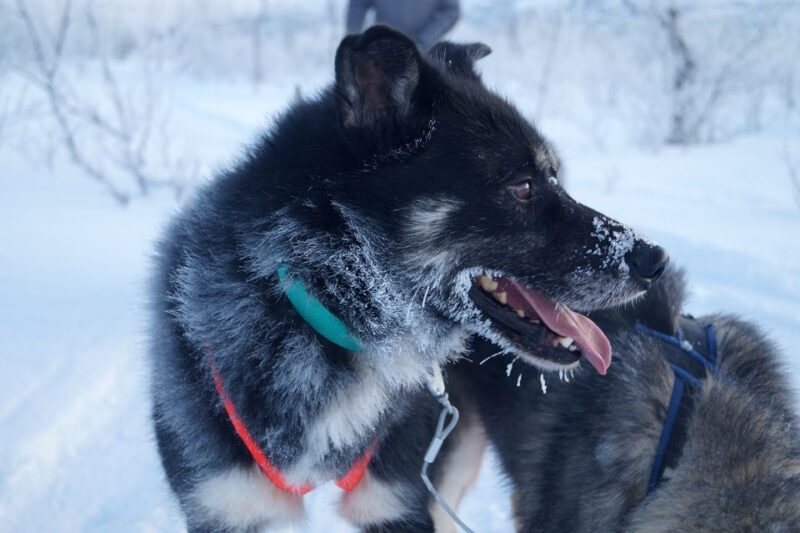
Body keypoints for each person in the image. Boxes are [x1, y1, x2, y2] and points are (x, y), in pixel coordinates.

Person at [346, 0, 460, 49]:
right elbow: (359, 3)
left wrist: (425, 38)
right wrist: (354, 37)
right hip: (382, 47)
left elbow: (451, 10)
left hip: (424, 53)